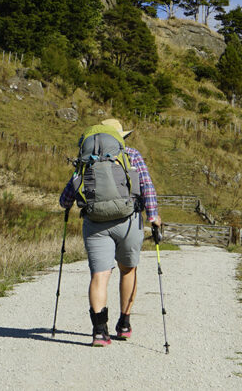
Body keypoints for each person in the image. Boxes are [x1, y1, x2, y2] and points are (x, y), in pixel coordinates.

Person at [59, 118, 160, 346]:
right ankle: (124, 323)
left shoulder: (87, 157)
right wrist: (153, 216)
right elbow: (147, 186)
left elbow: (69, 192)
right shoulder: (132, 154)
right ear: (120, 137)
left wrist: (66, 205)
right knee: (128, 270)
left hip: (95, 223)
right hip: (128, 220)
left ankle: (99, 331)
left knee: (100, 275)